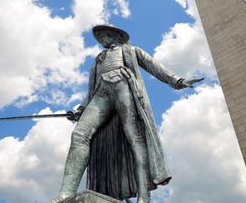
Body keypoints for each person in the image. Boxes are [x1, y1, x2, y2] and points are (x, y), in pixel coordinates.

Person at [51, 25, 203, 203]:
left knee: (135, 140)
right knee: (79, 135)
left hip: (123, 86)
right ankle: (66, 192)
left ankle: (143, 196)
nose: (100, 39)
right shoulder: (98, 61)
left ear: (113, 35)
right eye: (98, 37)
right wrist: (80, 109)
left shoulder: (130, 50)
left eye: (102, 35)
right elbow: (90, 91)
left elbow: (154, 66)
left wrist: (178, 81)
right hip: (101, 94)